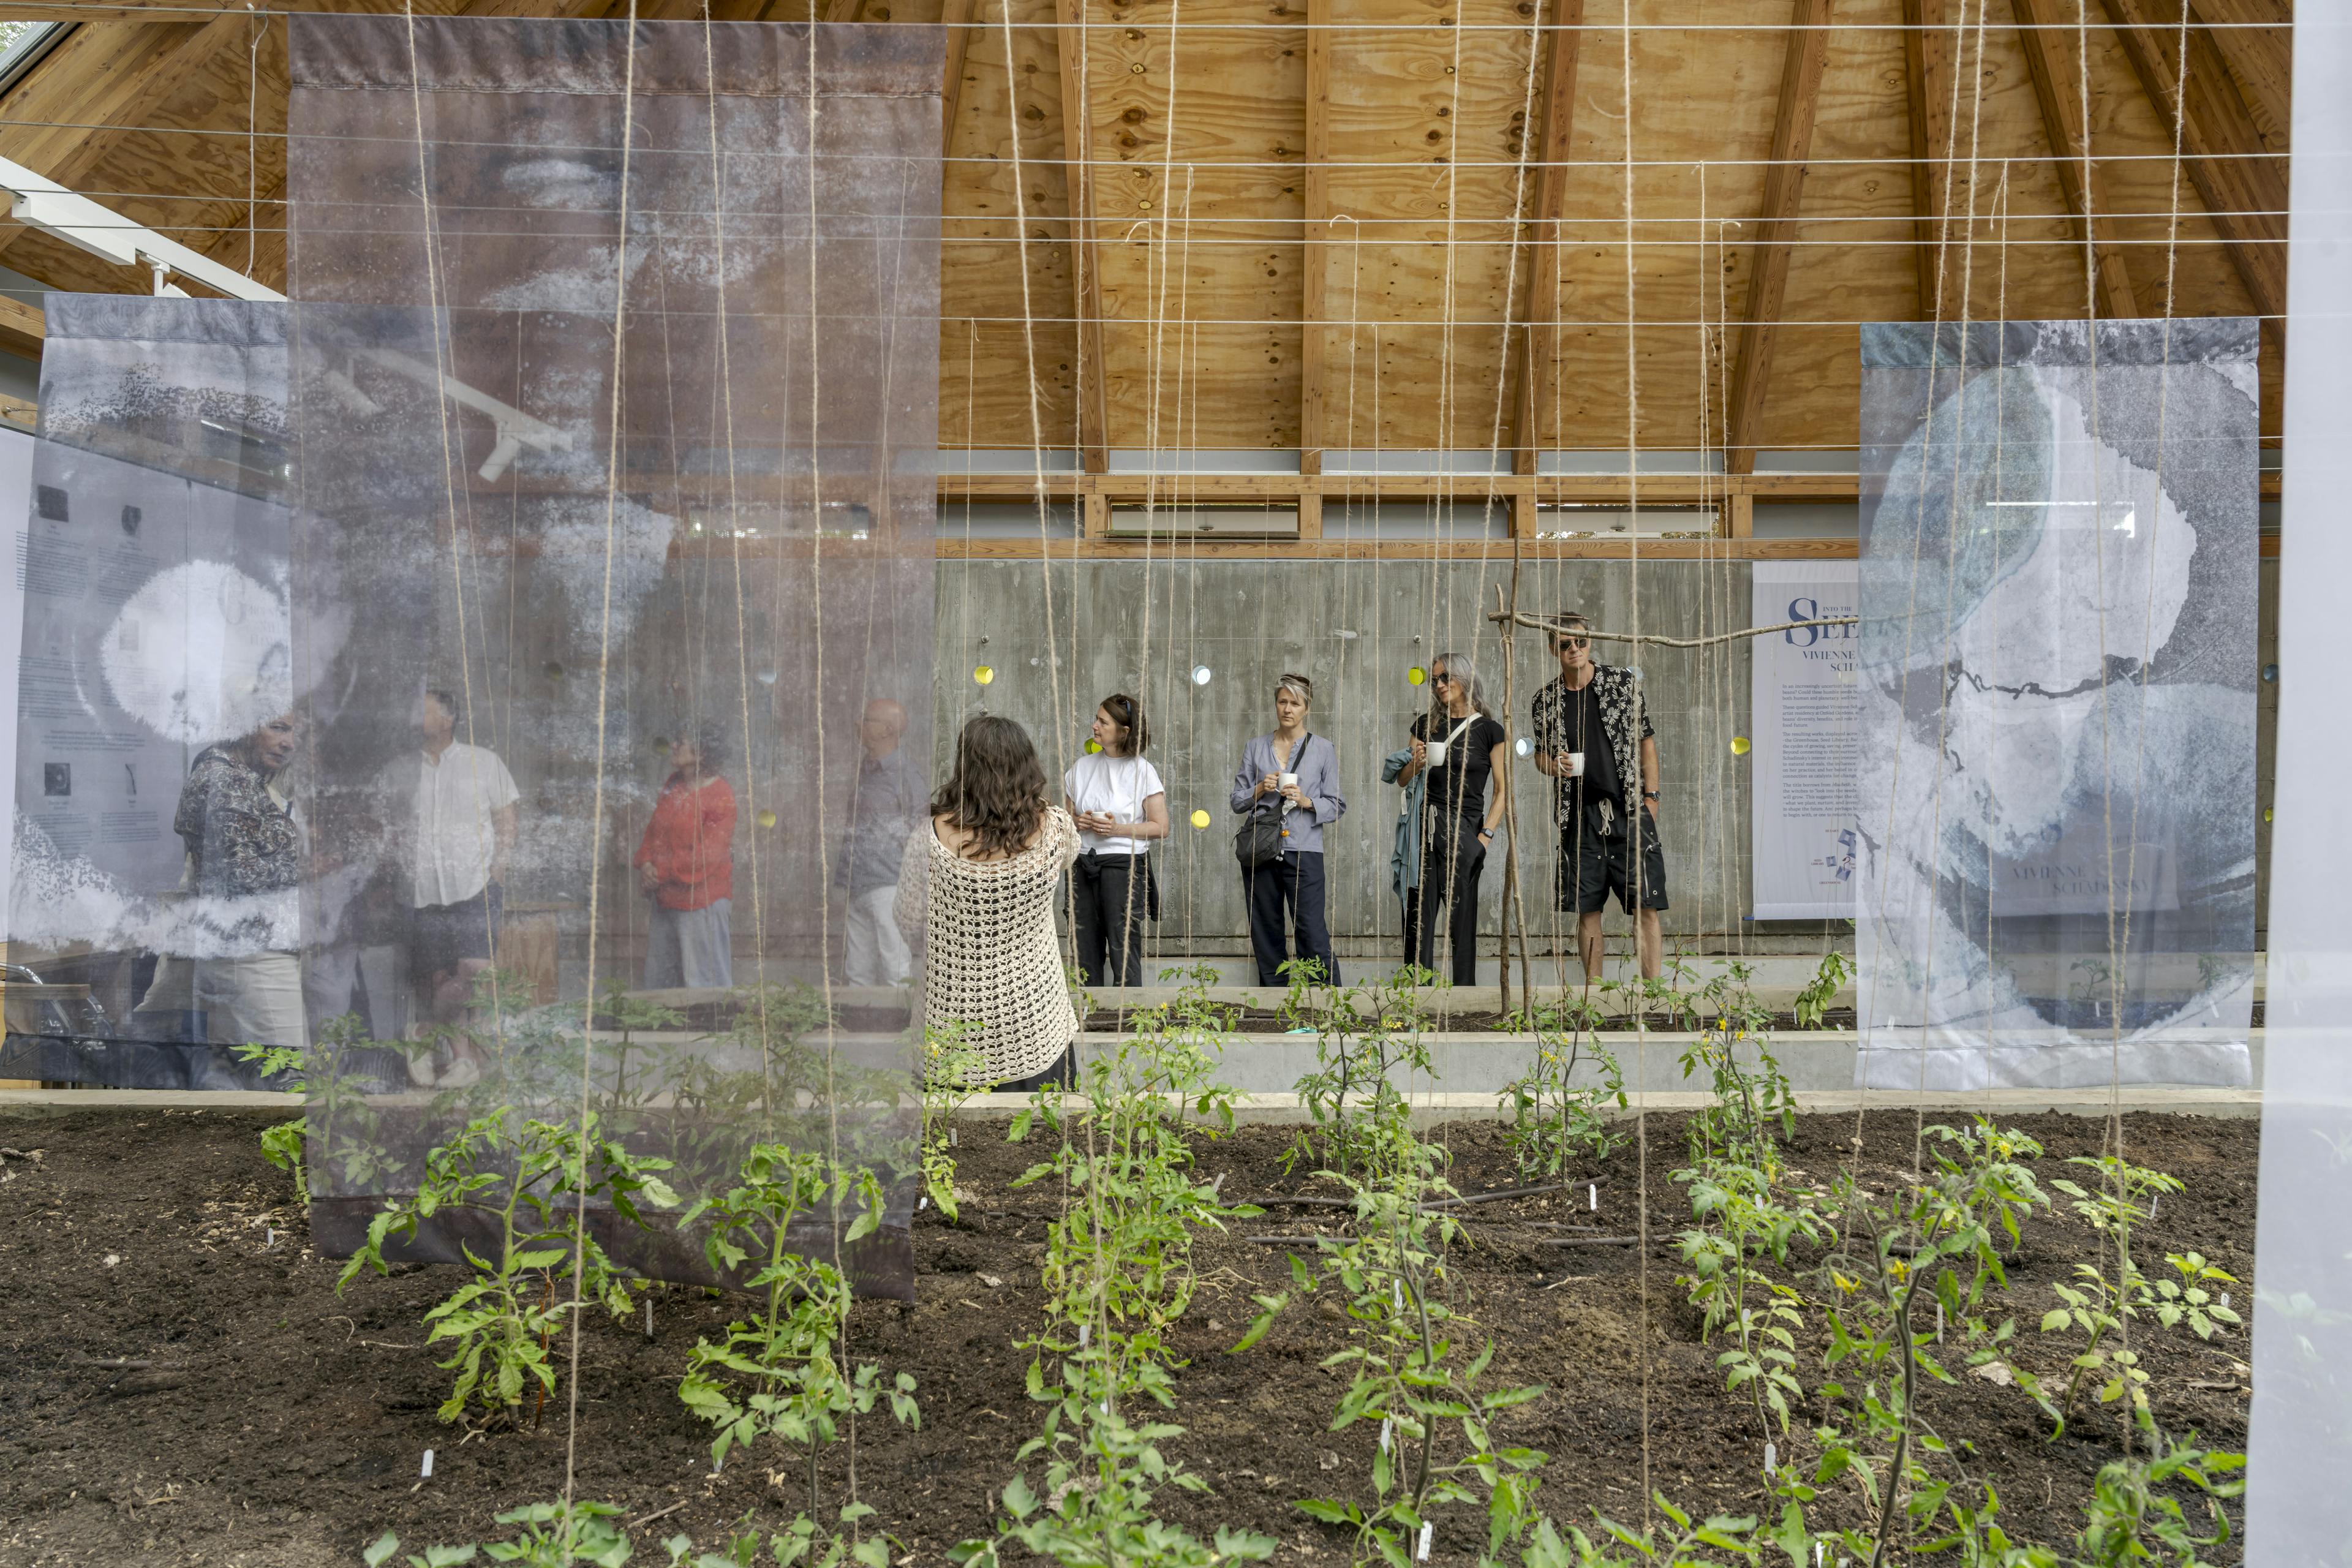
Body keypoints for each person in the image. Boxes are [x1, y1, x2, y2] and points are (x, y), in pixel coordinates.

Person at [894, 715, 1081, 1091]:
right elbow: (1070, 856)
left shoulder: (927, 836)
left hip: (950, 1016)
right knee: (1043, 1140)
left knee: (947, 1145)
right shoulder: (1056, 828)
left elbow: (907, 918)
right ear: (1026, 765)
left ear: (964, 767)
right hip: (1034, 1017)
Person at [381, 688, 519, 1087]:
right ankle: (462, 1061)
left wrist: (500, 866)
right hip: (422, 889)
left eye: (422, 709)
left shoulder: (484, 762)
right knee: (440, 979)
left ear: (448, 719)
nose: (414, 716)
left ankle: (422, 1032)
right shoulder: (400, 769)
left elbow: (505, 816)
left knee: (476, 971)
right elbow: (386, 826)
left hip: (475, 883)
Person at [1531, 612, 1667, 982]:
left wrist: (1651, 799)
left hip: (1628, 810)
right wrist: (1552, 764)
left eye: (1581, 641)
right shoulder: (1545, 700)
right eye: (1564, 644)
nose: (1574, 649)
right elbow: (1540, 755)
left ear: (1591, 642)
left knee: (1646, 905)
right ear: (1553, 649)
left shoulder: (1621, 683)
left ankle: (1653, 993)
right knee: (1587, 909)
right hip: (1579, 815)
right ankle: (1593, 992)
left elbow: (1646, 742)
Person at [173, 710, 307, 1061]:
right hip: (253, 954)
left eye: (295, 733)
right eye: (278, 728)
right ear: (243, 726)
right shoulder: (226, 778)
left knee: (241, 1078)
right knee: (289, 1075)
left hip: (250, 950)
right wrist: (315, 865)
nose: (289, 742)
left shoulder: (245, 777)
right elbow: (239, 874)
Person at [1394, 654, 1508, 985]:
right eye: (1435, 680)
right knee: (1419, 918)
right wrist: (1416, 762)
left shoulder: (1490, 730)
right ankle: (1418, 994)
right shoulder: (1425, 726)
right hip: (1426, 826)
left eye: (1446, 678)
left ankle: (1464, 998)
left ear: (1464, 678)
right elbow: (1403, 780)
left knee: (1463, 920)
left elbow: (1502, 791)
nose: (1440, 685)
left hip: (1467, 829)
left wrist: (1484, 837)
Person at [1230, 673, 1345, 986]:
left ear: (1306, 708)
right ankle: (1274, 1000)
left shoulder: (1323, 749)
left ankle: (1325, 999)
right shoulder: (1255, 747)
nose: (1288, 709)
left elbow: (1336, 804)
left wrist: (1307, 800)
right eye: (1283, 701)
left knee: (1309, 927)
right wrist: (1259, 789)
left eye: (1295, 703)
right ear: (1275, 704)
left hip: (1304, 849)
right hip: (1261, 849)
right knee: (1265, 928)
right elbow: (1237, 802)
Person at [1063, 693, 1167, 987]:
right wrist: (1077, 822)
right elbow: (1063, 819)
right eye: (1097, 719)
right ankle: (1089, 1016)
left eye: (1103, 722)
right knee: (1083, 946)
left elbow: (1161, 827)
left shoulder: (1143, 771)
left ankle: (1129, 1016)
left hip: (1125, 865)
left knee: (1123, 945)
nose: (1095, 726)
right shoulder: (1081, 768)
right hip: (1082, 863)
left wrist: (1117, 830)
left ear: (1125, 732)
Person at [633, 721, 737, 990]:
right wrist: (645, 864)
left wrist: (661, 874)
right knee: (660, 990)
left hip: (701, 905)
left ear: (701, 753)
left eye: (681, 742)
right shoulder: (674, 786)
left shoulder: (720, 795)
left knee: (704, 991)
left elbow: (708, 857)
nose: (674, 746)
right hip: (666, 902)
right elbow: (653, 832)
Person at [840, 697, 927, 987]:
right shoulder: (867, 769)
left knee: (896, 966)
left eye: (867, 720)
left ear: (887, 730)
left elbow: (920, 829)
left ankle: (901, 1029)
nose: (858, 723)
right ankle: (857, 1028)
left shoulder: (905, 775)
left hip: (890, 884)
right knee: (857, 970)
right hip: (858, 881)